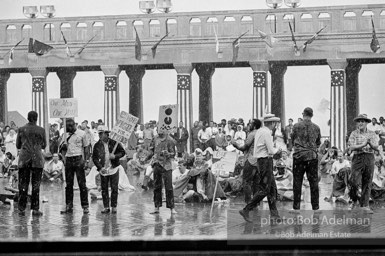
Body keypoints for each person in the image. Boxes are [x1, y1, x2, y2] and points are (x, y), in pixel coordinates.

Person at [238, 115, 282, 222]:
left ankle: (275, 215)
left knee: (272, 189)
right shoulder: (267, 133)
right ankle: (247, 209)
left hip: (261, 161)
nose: (275, 125)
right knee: (265, 189)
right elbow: (271, 151)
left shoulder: (259, 132)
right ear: (271, 123)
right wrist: (278, 150)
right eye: (274, 123)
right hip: (266, 161)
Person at [16, 111, 46, 216]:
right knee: (36, 185)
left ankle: (21, 208)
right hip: (37, 159)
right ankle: (35, 208)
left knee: (23, 184)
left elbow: (18, 145)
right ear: (36, 118)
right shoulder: (41, 130)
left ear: (27, 118)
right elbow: (44, 145)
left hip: (24, 159)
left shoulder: (21, 129)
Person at [291, 107, 321, 213]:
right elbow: (318, 143)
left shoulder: (296, 126)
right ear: (312, 115)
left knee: (297, 182)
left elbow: (292, 139)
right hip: (312, 157)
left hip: (299, 156)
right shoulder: (316, 128)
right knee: (313, 182)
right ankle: (316, 207)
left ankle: (296, 207)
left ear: (303, 114)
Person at [348, 114, 379, 213]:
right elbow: (351, 147)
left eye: (363, 121)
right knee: (353, 181)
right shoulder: (354, 133)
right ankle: (353, 200)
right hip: (357, 157)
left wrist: (370, 143)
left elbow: (376, 147)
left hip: (369, 157)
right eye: (359, 121)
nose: (360, 123)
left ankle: (364, 205)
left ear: (366, 123)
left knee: (367, 181)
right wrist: (363, 144)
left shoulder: (372, 133)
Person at [92, 125, 126, 214]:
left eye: (101, 133)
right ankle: (106, 207)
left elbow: (122, 152)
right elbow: (94, 158)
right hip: (103, 170)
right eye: (99, 133)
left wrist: (115, 156)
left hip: (114, 168)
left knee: (114, 188)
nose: (99, 135)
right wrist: (100, 167)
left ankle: (114, 206)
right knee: (104, 189)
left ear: (106, 134)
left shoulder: (115, 143)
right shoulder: (97, 145)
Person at [60, 118, 90, 215]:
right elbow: (61, 149)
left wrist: (86, 161)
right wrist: (63, 154)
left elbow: (86, 148)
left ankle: (85, 206)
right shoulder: (65, 135)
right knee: (69, 185)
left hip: (78, 158)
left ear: (72, 126)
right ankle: (69, 205)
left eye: (68, 127)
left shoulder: (82, 134)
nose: (67, 129)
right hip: (68, 159)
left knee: (82, 184)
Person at [232, 119, 261, 204]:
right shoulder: (261, 134)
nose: (248, 126)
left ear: (254, 126)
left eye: (250, 124)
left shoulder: (252, 134)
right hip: (259, 161)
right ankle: (256, 203)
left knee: (246, 181)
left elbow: (244, 147)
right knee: (256, 183)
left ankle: (248, 202)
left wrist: (235, 144)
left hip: (250, 160)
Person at [150, 129, 177, 215]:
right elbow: (151, 150)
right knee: (157, 186)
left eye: (162, 129)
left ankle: (171, 207)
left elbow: (174, 153)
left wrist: (168, 154)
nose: (160, 131)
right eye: (158, 129)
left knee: (168, 187)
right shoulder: (154, 139)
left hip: (167, 165)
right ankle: (156, 206)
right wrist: (147, 157)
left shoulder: (170, 140)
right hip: (157, 163)